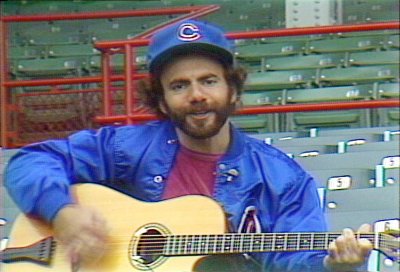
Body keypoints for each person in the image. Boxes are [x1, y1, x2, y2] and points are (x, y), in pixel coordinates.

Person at [5, 19, 372, 271]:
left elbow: (294, 258)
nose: (196, 95)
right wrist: (63, 213)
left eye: (208, 81)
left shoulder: (281, 178)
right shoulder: (125, 148)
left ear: (233, 89)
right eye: (179, 85)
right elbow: (28, 162)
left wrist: (334, 264)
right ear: (162, 100)